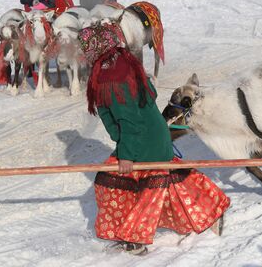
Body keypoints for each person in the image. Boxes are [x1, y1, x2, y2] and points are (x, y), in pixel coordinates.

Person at [77, 24, 230, 255]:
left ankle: (134, 237)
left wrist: (126, 154)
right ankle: (210, 210)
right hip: (148, 134)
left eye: (85, 47)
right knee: (163, 179)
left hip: (142, 139)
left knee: (128, 186)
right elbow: (146, 96)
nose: (82, 51)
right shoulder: (119, 62)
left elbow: (128, 120)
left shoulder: (113, 76)